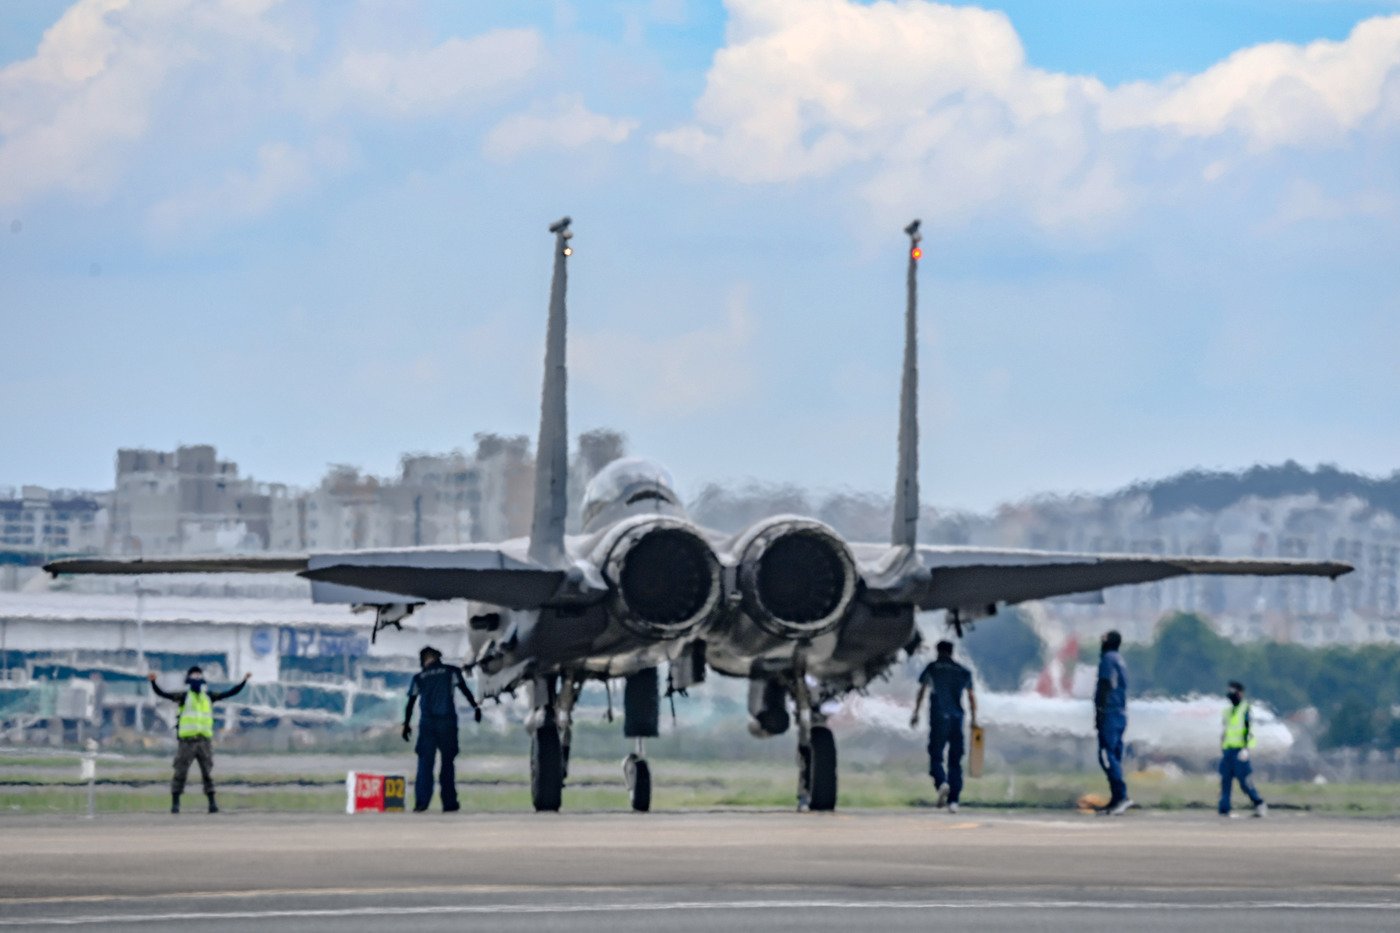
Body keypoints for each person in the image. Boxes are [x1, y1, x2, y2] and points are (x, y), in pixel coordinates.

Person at [147, 666, 250, 814]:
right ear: (188, 679)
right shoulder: (183, 696)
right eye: (193, 676)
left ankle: (212, 804)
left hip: (204, 741)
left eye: (198, 675)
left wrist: (244, 681)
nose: (196, 678)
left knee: (207, 773)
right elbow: (162, 694)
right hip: (186, 742)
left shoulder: (208, 696)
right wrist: (153, 682)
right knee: (180, 772)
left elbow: (230, 693)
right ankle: (175, 804)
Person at [403, 645, 482, 812]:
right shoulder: (451, 672)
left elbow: (410, 703)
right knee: (448, 764)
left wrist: (406, 725)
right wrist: (476, 708)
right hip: (447, 723)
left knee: (425, 764)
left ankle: (421, 803)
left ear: (424, 659)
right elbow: (465, 690)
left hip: (427, 725)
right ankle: (449, 803)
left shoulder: (419, 677)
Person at [910, 640, 977, 813]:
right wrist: (974, 720)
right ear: (952, 652)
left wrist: (916, 713)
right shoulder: (963, 671)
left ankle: (941, 783)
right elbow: (970, 697)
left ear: (938, 651)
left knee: (936, 757)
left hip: (938, 719)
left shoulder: (932, 668)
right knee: (955, 762)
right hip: (957, 720)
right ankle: (953, 801)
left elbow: (922, 691)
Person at [1094, 630, 1133, 815]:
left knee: (1106, 755)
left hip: (1109, 712)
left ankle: (1121, 797)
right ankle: (1116, 798)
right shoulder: (1119, 659)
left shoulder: (1108, 659)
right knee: (1114, 755)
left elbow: (1105, 683)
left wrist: (1099, 710)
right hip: (1120, 712)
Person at [1219, 680, 1268, 818]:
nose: (1231, 695)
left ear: (1240, 693)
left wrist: (1245, 749)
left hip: (1240, 751)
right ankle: (1224, 809)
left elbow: (1248, 730)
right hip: (1228, 751)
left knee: (1244, 781)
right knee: (1225, 781)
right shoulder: (1227, 711)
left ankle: (1259, 803)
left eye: (1234, 692)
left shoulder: (1245, 709)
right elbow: (1225, 730)